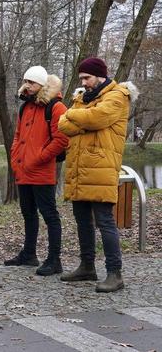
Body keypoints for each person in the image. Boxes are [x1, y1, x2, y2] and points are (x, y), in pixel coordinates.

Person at [58, 57, 138, 293]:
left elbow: (98, 118)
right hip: (79, 168)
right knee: (82, 220)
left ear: (100, 75)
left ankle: (115, 273)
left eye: (87, 78)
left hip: (101, 168)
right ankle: (87, 266)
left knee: (105, 222)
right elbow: (63, 124)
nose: (83, 83)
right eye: (81, 78)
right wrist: (83, 120)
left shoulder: (117, 96)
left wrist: (79, 117)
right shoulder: (82, 98)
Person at [5, 66, 68, 276]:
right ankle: (29, 254)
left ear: (42, 84)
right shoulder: (25, 107)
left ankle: (54, 259)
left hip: (42, 171)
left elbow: (61, 140)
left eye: (31, 82)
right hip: (23, 170)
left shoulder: (56, 107)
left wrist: (38, 158)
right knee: (28, 213)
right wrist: (16, 159)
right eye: (26, 81)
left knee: (50, 215)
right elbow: (17, 135)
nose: (27, 85)